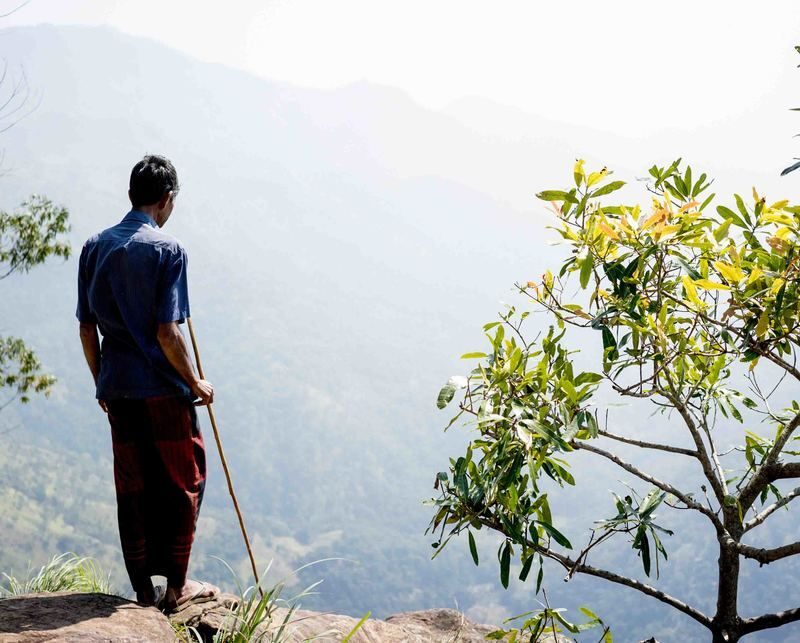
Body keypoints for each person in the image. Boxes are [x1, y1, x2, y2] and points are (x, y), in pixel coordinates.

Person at [77, 154, 218, 611]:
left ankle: (141, 590)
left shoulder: (94, 247)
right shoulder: (168, 251)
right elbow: (167, 332)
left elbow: (86, 327)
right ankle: (175, 589)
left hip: (118, 390)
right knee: (184, 480)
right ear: (167, 199)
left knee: (133, 485)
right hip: (162, 390)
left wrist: (102, 381)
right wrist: (196, 381)